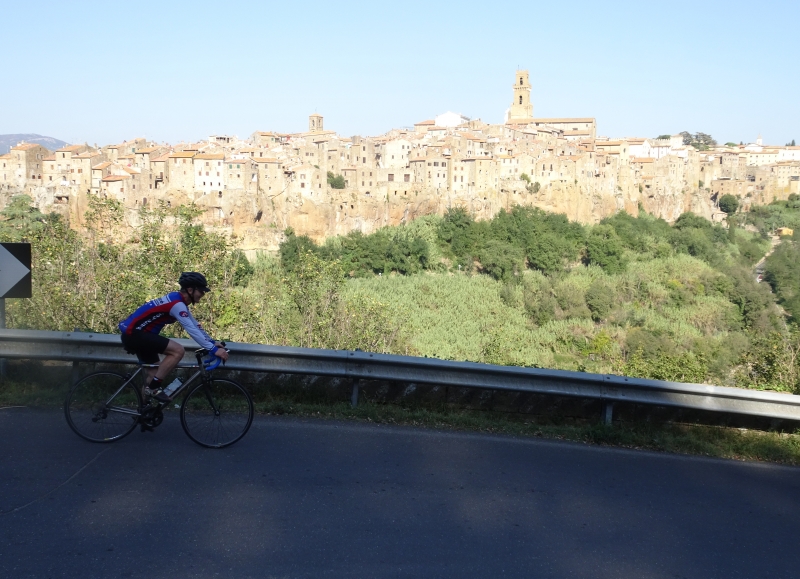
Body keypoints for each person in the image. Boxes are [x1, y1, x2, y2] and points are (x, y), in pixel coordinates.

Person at [118, 272, 228, 402]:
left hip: (138, 335)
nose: (203, 295)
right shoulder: (177, 304)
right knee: (178, 351)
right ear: (190, 290)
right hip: (136, 335)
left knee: (153, 375)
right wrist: (213, 350)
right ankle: (153, 389)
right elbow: (191, 330)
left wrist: (212, 342)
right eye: (201, 291)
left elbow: (196, 326)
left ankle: (143, 413)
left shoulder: (178, 301)